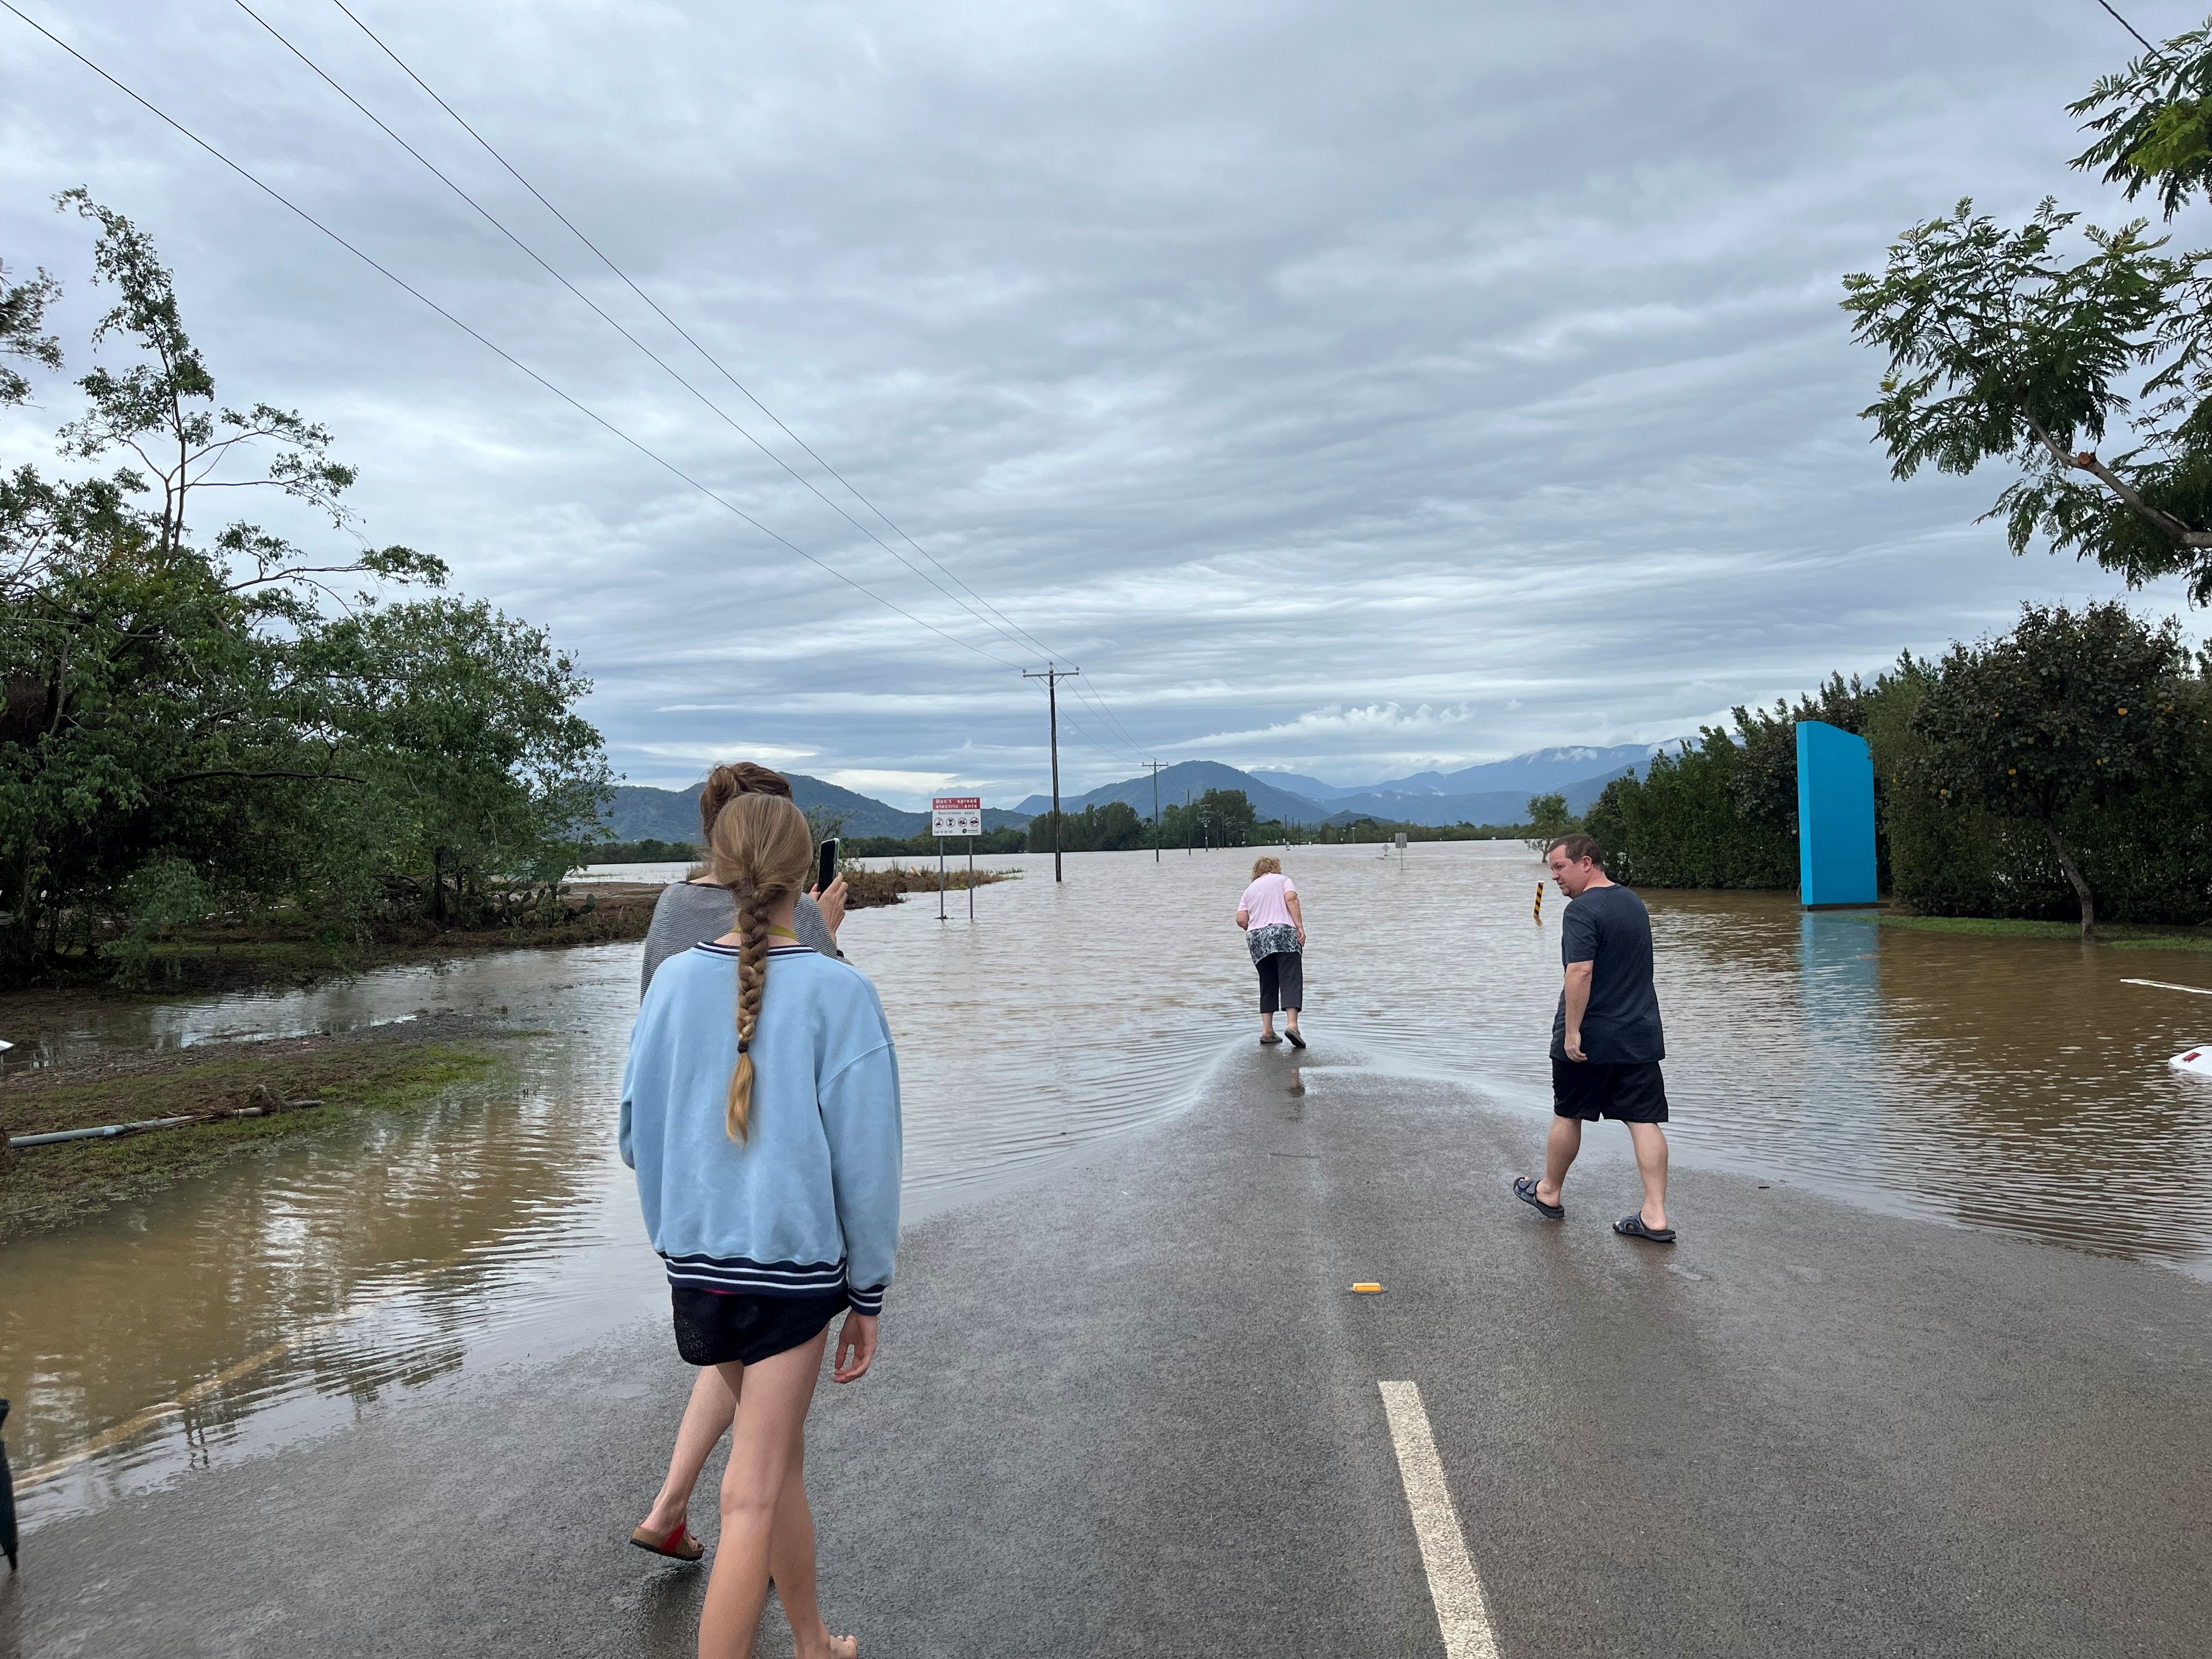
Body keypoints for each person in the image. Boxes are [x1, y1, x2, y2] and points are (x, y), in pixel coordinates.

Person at [620, 791, 901, 1659]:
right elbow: (868, 1162)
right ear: (802, 873)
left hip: (694, 1267)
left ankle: (814, 1641)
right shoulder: (840, 992)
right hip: (789, 1273)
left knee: (777, 1472)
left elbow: (635, 1135)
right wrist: (869, 1294)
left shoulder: (670, 982)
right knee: (752, 1490)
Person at [1514, 833, 1674, 1243]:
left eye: (1560, 867)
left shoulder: (1582, 911)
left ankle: (1549, 1192)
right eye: (1551, 869)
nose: (1555, 877)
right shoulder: (1633, 902)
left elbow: (1580, 972)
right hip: (1638, 1033)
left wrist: (1571, 1032)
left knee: (1569, 1113)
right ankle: (1655, 1216)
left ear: (1588, 863)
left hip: (1591, 1037)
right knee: (1643, 1121)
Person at [641, 762, 849, 997]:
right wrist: (826, 930)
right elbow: (840, 998)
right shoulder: (802, 911)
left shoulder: (673, 903)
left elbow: (651, 1003)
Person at [1234, 855, 1306, 1048]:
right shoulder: (1283, 880)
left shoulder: (1249, 890)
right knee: (1290, 977)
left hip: (1256, 937)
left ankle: (1267, 1031)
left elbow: (1241, 919)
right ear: (1276, 868)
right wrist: (1299, 926)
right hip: (1283, 931)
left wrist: (1257, 928)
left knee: (1268, 981)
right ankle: (1292, 1026)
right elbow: (1291, 899)